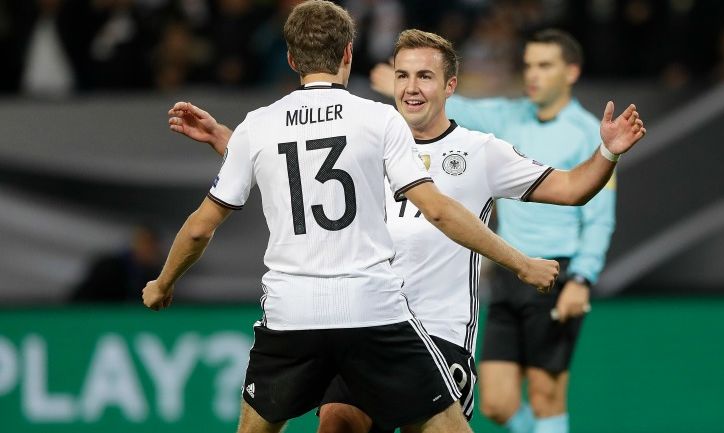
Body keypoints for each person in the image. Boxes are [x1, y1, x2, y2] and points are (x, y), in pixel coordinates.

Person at [167, 27, 645, 433]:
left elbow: (570, 188)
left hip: (437, 335)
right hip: (366, 326)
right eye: (402, 75)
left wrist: (607, 153)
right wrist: (226, 142)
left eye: (425, 76)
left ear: (450, 84)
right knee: (335, 422)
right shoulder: (367, 136)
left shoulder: (481, 151)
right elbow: (286, 166)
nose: (411, 88)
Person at [372, 29, 621, 433]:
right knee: (500, 404)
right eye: (528, 65)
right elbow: (457, 108)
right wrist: (407, 84)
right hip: (504, 275)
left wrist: (582, 277)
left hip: (553, 271)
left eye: (545, 65)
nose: (533, 75)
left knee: (545, 394)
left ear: (571, 72)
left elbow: (592, 206)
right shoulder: (509, 117)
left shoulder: (586, 131)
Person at [72, 225, 162, 302]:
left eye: (151, 245)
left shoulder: (153, 276)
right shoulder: (109, 268)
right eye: (144, 243)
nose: (147, 249)